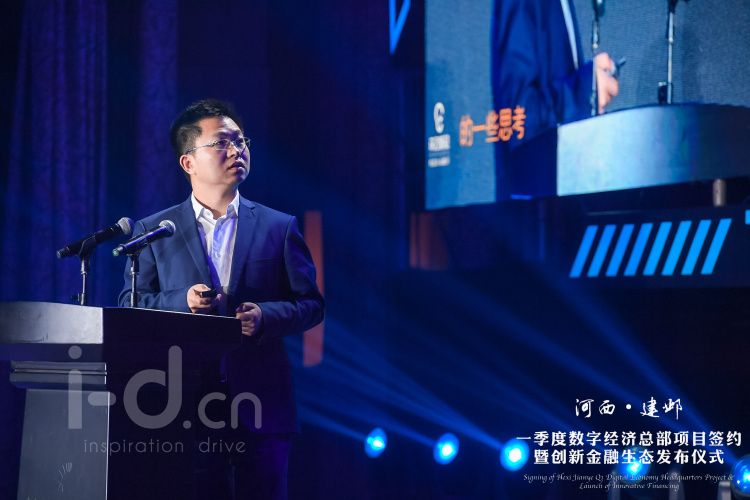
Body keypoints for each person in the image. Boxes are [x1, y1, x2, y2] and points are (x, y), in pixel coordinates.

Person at [118, 99, 324, 499]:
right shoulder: (155, 230)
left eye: (241, 141)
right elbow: (130, 301)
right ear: (188, 162)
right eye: (222, 143)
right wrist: (182, 301)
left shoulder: (279, 226)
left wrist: (265, 315)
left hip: (261, 402)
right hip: (180, 403)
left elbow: (311, 304)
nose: (237, 151)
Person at [491, 0, 619, 197]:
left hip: (565, 194)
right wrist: (585, 90)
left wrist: (588, 88)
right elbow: (519, 117)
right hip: (535, 204)